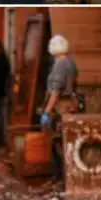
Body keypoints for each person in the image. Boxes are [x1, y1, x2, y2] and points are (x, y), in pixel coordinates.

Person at [40, 35, 80, 181]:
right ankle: (65, 177)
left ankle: (60, 177)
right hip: (71, 104)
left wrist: (46, 111)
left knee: (57, 143)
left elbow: (56, 91)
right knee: (67, 142)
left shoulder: (60, 65)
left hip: (61, 107)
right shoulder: (71, 62)